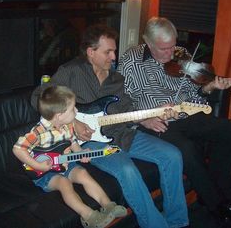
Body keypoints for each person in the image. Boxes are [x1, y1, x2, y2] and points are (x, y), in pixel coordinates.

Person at [31, 24, 189, 228]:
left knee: (172, 155)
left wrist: (147, 117)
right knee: (127, 169)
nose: (114, 57)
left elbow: (126, 110)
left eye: (114, 51)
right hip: (88, 142)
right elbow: (38, 97)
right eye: (108, 52)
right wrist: (74, 122)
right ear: (91, 52)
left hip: (120, 134)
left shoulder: (116, 79)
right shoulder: (70, 71)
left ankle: (177, 222)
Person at [117, 17, 231, 228]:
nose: (171, 53)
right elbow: (121, 101)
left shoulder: (181, 55)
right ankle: (220, 206)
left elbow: (194, 92)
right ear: (148, 43)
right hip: (156, 121)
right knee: (185, 149)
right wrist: (145, 118)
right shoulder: (131, 61)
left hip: (185, 113)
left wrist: (210, 87)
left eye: (173, 46)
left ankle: (214, 193)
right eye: (164, 49)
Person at [13, 85, 127, 228]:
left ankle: (108, 205)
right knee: (64, 183)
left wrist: (80, 153)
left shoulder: (68, 125)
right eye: (73, 108)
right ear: (59, 115)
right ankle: (89, 216)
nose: (77, 110)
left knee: (83, 173)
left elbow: (72, 142)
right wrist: (37, 165)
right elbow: (18, 149)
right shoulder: (38, 132)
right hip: (44, 173)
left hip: (64, 163)